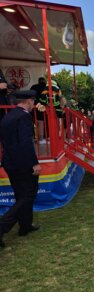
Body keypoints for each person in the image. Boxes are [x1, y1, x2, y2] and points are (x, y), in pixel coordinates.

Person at [0, 90, 41, 248]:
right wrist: (34, 163)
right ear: (29, 101)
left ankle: (25, 226)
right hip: (23, 164)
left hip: (10, 163)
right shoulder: (24, 116)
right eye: (32, 101)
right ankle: (2, 226)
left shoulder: (8, 116)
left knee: (21, 195)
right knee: (28, 195)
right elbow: (25, 143)